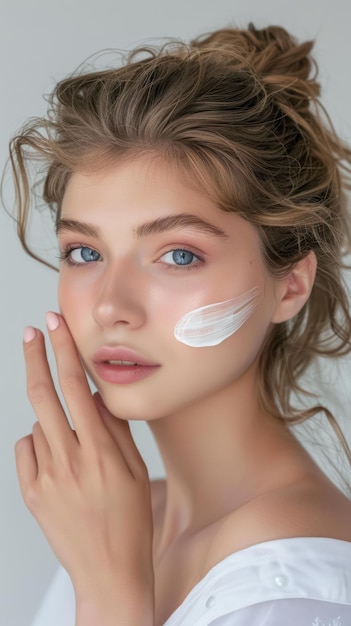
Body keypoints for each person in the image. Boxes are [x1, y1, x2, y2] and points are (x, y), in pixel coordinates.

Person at [8, 22, 351, 626]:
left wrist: (111, 596)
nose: (112, 305)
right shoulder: (118, 519)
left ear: (290, 284)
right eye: (85, 253)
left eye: (179, 255)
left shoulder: (295, 591)